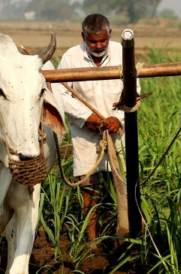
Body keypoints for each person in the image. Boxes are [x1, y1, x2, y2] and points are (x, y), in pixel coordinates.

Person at [56, 14, 140, 240]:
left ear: (110, 35)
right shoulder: (71, 57)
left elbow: (134, 92)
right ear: (83, 37)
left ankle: (122, 231)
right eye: (93, 42)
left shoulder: (124, 54)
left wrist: (117, 118)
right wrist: (86, 117)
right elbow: (61, 93)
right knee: (88, 185)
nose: (99, 46)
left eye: (102, 41)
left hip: (117, 131)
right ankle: (90, 237)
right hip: (85, 133)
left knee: (121, 182)